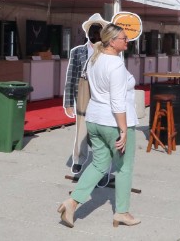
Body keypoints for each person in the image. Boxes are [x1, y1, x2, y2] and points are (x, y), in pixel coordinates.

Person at [57, 23, 140, 228]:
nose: (127, 41)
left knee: (98, 164)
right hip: (114, 122)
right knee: (123, 168)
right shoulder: (115, 65)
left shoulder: (95, 59)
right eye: (123, 38)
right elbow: (117, 101)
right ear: (112, 42)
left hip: (95, 119)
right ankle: (122, 212)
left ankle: (72, 202)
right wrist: (123, 130)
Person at [63, 13, 108, 175]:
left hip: (102, 91)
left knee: (102, 129)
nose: (95, 34)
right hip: (83, 88)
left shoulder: (109, 51)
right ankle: (79, 159)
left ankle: (102, 165)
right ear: (87, 32)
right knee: (82, 127)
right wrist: (68, 103)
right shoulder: (77, 52)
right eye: (93, 30)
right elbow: (71, 77)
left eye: (98, 30)